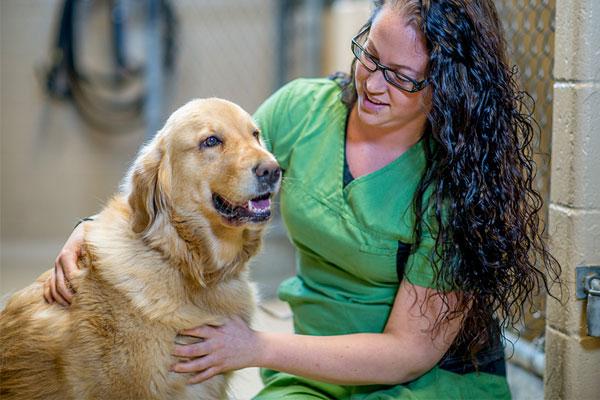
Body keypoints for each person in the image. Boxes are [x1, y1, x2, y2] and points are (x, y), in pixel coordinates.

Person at [45, 0, 561, 398]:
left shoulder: (454, 186)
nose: (373, 84)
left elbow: (408, 353)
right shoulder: (304, 111)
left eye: (401, 78)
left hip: (427, 383)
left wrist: (254, 348)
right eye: (370, 56)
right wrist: (94, 227)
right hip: (310, 376)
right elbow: (204, 165)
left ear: (446, 88)